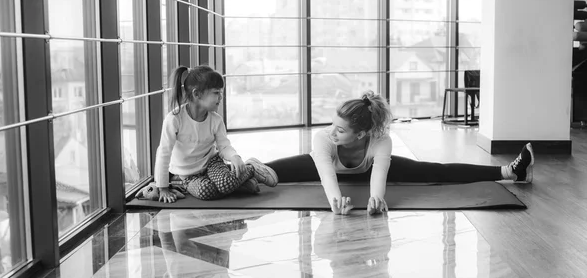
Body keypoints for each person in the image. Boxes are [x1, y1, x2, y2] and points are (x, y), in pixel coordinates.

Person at [264, 91, 535, 216]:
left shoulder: (380, 142)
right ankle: (236, 174)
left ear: (360, 134)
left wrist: (375, 200)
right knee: (269, 171)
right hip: (324, 166)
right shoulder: (324, 139)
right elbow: (327, 177)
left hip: (368, 168)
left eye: (341, 130)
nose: (332, 132)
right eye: (333, 125)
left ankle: (510, 172)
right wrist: (336, 203)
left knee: (434, 171)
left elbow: (379, 175)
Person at [153, 65, 279, 203]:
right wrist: (163, 187)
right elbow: (164, 153)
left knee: (225, 182)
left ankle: (251, 168)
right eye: (216, 93)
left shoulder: (216, 120)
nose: (221, 97)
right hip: (187, 176)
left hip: (212, 163)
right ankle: (240, 185)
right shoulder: (174, 119)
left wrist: (235, 157)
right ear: (197, 94)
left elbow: (224, 146)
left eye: (221, 92)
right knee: (206, 191)